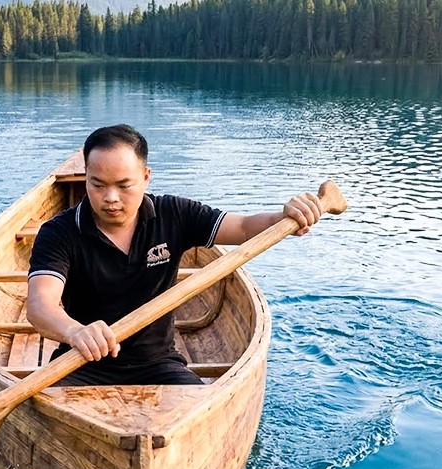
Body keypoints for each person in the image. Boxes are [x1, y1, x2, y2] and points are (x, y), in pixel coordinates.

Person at [26, 124, 325, 386]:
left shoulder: (174, 214)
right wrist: (76, 331)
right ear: (86, 179)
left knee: (203, 408)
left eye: (123, 185)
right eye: (98, 184)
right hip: (79, 363)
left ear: (145, 177)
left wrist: (284, 217)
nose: (111, 198)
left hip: (158, 364)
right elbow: (41, 306)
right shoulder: (59, 232)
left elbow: (245, 228)